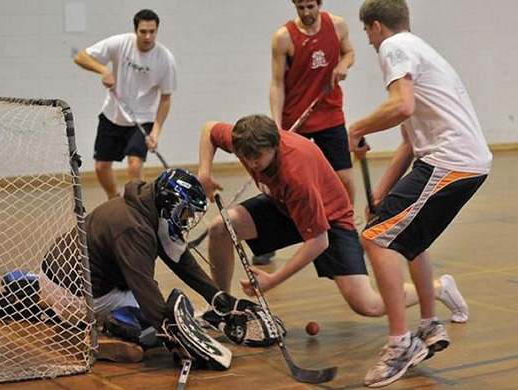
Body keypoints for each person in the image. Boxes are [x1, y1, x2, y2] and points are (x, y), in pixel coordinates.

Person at [197, 115, 468, 332]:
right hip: (284, 207)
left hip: (330, 220)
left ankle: (438, 288)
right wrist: (204, 173)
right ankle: (219, 304)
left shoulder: (295, 174)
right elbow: (209, 129)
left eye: (258, 159)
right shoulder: (245, 141)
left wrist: (273, 280)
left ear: (275, 146)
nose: (252, 165)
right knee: (221, 227)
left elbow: (318, 241)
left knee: (368, 305)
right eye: (245, 159)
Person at [348, 0, 492, 387]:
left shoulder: (394, 48)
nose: (368, 40)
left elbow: (400, 105)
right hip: (456, 162)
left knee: (376, 241)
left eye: (366, 32)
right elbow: (410, 142)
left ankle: (400, 345)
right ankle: (429, 326)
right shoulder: (423, 51)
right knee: (405, 240)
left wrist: (355, 128)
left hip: (451, 163)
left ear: (376, 27)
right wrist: (381, 193)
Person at [38, 169, 284, 367]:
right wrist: (174, 333)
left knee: (168, 307)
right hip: (79, 297)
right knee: (161, 314)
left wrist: (219, 298)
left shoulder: (144, 205)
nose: (187, 220)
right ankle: (114, 326)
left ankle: (34, 292)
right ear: (172, 204)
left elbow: (180, 259)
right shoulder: (134, 228)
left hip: (54, 276)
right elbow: (143, 286)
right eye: (186, 212)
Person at [260, 0, 355, 266]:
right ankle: (269, 241)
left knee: (344, 178)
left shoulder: (337, 25)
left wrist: (344, 64)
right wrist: (277, 127)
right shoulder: (284, 38)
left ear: (319, 3)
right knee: (285, 187)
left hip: (330, 114)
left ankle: (344, 232)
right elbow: (277, 83)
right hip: (296, 120)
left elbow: (349, 52)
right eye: (300, 7)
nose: (306, 12)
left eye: (310, 6)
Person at [74, 9, 176, 199]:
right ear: (135, 29)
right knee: (101, 166)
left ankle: (135, 206)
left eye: (152, 31)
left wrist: (156, 131)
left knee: (135, 164)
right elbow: (80, 57)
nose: (147, 36)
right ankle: (113, 198)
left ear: (157, 31)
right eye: (143, 31)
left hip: (143, 118)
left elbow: (166, 98)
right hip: (113, 114)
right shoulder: (120, 43)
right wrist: (103, 70)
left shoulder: (165, 59)